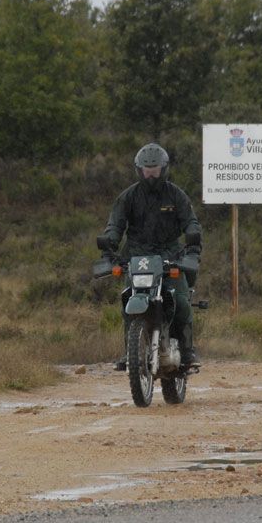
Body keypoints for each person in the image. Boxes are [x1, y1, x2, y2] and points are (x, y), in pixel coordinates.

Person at [100, 142, 202, 369]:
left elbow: (190, 222)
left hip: (170, 255)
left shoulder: (176, 195)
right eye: (147, 171)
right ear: (139, 170)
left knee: (182, 301)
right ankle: (131, 352)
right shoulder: (128, 197)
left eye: (155, 170)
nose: (151, 176)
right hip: (138, 257)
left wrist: (193, 240)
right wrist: (110, 243)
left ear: (163, 169)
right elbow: (115, 224)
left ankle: (187, 351)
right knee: (128, 298)